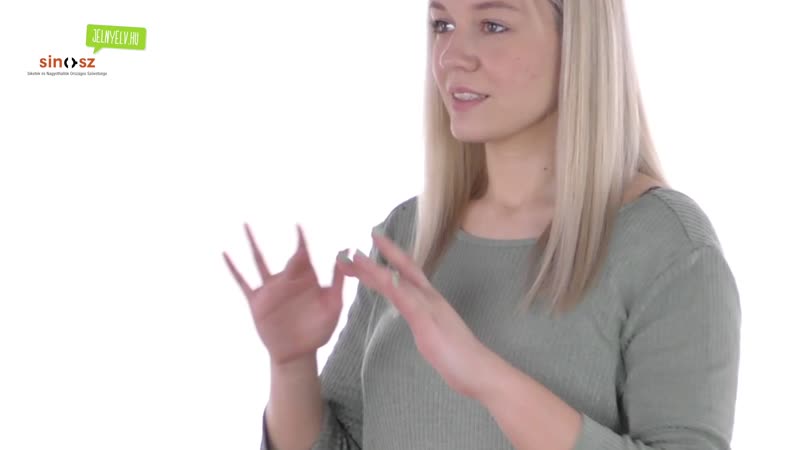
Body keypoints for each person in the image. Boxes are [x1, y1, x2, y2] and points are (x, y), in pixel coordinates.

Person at [223, 0, 741, 448]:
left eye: (493, 25)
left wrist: (484, 374)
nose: (452, 56)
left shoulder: (665, 246)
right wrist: (291, 363)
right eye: (442, 24)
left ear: (579, 42)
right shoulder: (409, 233)